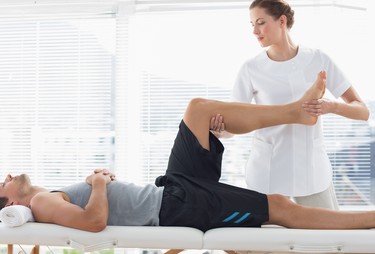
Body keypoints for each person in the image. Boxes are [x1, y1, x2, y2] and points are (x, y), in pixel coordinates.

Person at [2, 72, 375, 233]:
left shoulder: (44, 197)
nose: (7, 175)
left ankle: (296, 112)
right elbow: (92, 224)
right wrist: (98, 183)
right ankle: (368, 221)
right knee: (280, 206)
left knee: (198, 110)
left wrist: (99, 185)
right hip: (178, 207)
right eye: (2, 182)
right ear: (7, 202)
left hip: (172, 190)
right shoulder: (38, 204)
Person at [211, 0, 369, 210]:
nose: (255, 31)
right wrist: (221, 131)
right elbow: (237, 123)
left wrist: (331, 107)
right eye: (252, 25)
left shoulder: (317, 59)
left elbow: (363, 111)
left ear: (281, 21)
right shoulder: (251, 69)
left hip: (312, 171)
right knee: (266, 242)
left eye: (260, 23)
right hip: (268, 172)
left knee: (328, 239)